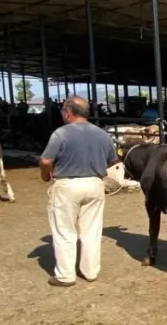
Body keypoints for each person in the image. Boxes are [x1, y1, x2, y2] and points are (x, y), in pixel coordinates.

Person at [39, 96, 119, 287]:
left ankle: (66, 275)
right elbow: (113, 160)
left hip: (67, 185)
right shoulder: (102, 134)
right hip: (95, 184)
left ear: (68, 112)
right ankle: (90, 271)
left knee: (64, 231)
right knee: (92, 230)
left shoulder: (61, 133)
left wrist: (45, 176)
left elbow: (45, 161)